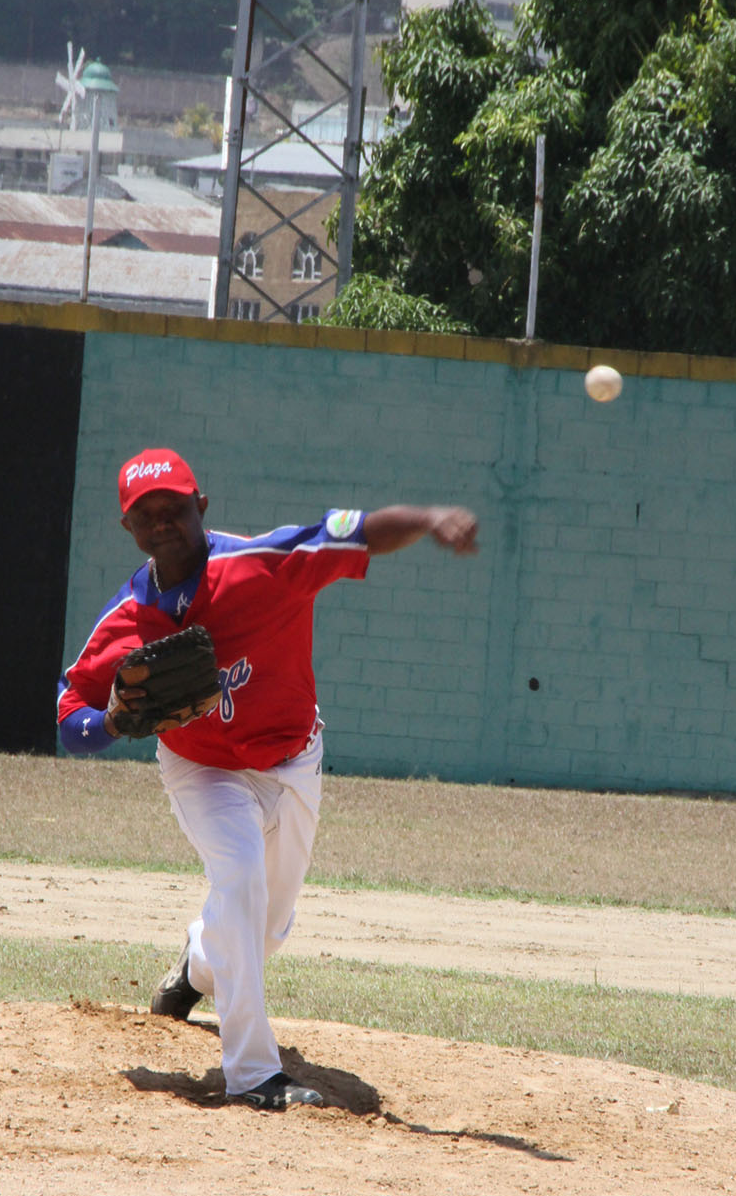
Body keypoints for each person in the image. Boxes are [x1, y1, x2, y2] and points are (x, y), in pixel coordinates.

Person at [57, 447, 478, 1110]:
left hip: (291, 758)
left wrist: (429, 519)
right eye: (146, 515)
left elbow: (358, 531)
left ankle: (198, 963)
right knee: (241, 876)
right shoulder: (123, 619)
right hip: (202, 768)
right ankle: (255, 1074)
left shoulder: (263, 565)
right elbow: (68, 718)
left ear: (201, 507)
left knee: (267, 928)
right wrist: (107, 721)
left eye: (174, 507)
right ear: (128, 529)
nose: (162, 522)